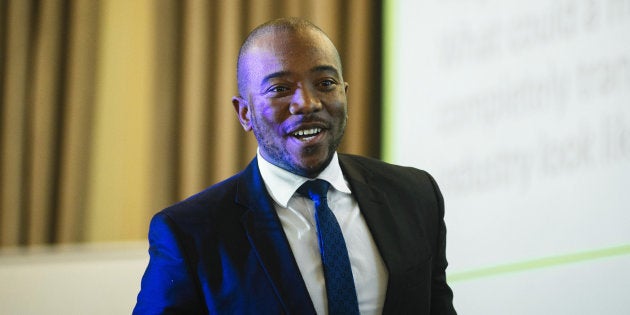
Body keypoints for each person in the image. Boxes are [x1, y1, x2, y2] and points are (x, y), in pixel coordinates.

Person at [134, 17, 456, 315]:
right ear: (244, 113)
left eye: (325, 83)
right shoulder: (190, 233)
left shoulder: (414, 195)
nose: (308, 103)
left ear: (345, 94)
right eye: (280, 89)